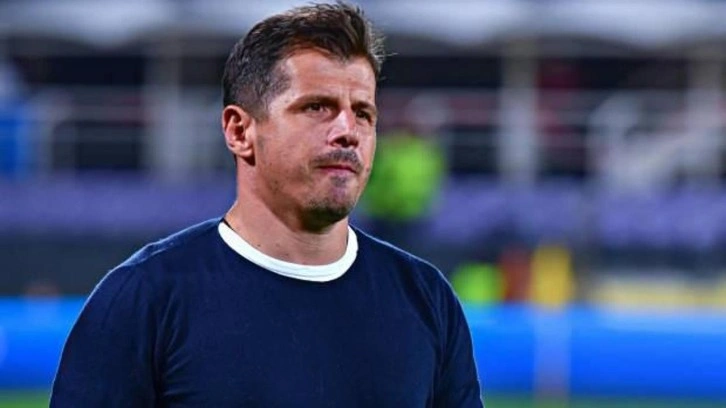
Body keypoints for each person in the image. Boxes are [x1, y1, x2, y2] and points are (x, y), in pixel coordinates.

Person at [50, 3, 483, 407]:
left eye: (363, 113)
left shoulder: (427, 300)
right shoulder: (144, 299)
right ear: (240, 132)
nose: (348, 131)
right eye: (317, 107)